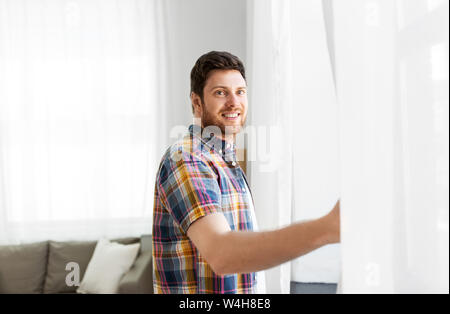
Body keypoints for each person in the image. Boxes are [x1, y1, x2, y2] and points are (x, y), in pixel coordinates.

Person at [152, 51, 340, 294]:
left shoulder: (225, 162)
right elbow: (222, 254)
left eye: (240, 91)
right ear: (197, 102)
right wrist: (328, 228)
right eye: (221, 92)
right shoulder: (188, 159)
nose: (233, 102)